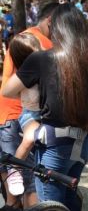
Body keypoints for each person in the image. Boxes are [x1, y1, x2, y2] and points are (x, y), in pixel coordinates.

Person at [2, 3, 88, 210]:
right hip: (85, 141)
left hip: (54, 144)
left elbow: (7, 90)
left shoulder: (42, 59)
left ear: (56, 27)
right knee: (70, 199)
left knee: (50, 205)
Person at [0, 2, 58, 210]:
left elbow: (7, 85)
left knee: (16, 170)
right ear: (51, 22)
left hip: (7, 115)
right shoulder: (42, 45)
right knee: (32, 178)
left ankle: (10, 202)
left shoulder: (21, 38)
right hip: (24, 117)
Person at [2, 33, 42, 200]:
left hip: (41, 115)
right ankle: (14, 168)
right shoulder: (24, 74)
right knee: (30, 138)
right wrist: (24, 100)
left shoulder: (42, 66)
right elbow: (5, 92)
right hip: (29, 114)